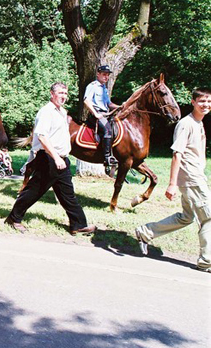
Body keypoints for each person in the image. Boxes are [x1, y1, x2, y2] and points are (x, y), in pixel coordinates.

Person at [135, 88, 211, 273]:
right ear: (193, 102)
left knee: (186, 217)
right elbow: (177, 154)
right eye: (202, 101)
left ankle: (145, 232)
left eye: (208, 101)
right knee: (209, 217)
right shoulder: (186, 124)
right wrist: (172, 184)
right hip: (191, 178)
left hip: (196, 176)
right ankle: (207, 261)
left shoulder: (198, 123)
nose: (206, 105)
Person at [6, 83, 97, 235]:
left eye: (66, 93)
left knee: (68, 194)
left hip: (61, 160)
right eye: (61, 93)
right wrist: (56, 158)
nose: (64, 96)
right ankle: (13, 218)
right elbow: (42, 136)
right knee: (34, 191)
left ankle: (78, 225)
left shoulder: (61, 112)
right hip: (49, 159)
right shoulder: (46, 112)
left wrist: (62, 158)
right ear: (52, 94)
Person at [83, 65, 120, 168]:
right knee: (107, 130)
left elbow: (109, 104)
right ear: (98, 74)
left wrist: (121, 107)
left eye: (107, 75)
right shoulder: (93, 86)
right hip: (97, 115)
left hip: (105, 114)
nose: (106, 77)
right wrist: (95, 113)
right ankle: (107, 157)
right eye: (104, 74)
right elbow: (86, 100)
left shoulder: (104, 88)